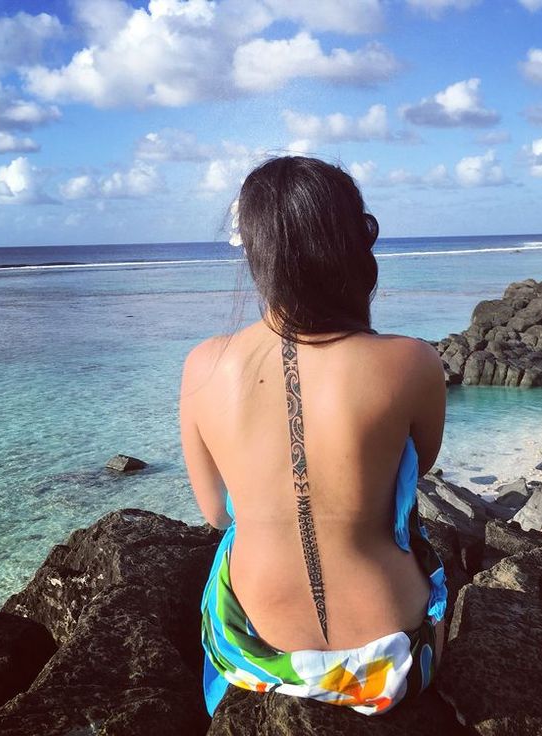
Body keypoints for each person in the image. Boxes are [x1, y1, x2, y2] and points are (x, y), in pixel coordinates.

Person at [180, 156, 447, 718]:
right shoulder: (413, 361)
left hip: (255, 660)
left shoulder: (204, 365)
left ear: (255, 254)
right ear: (354, 246)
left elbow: (215, 515)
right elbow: (415, 469)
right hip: (392, 657)